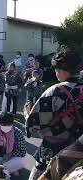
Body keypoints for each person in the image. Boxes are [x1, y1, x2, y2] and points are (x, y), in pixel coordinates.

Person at [26, 47, 83, 180]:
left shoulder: (54, 92)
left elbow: (33, 127)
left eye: (56, 70)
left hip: (52, 153)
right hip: (78, 153)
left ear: (62, 71)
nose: (56, 73)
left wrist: (27, 114)